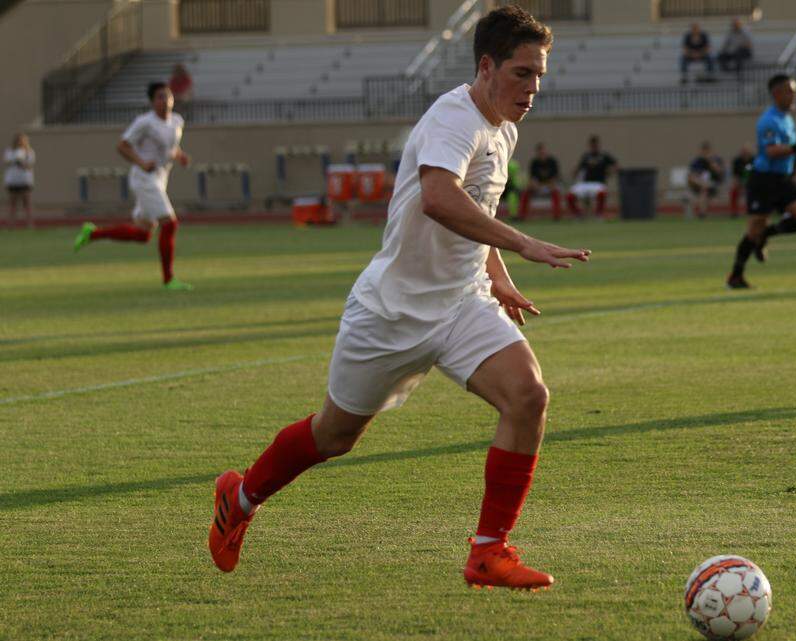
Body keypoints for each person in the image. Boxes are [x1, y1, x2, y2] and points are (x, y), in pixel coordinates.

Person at [206, 6, 591, 589]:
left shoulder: (504, 128)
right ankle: (242, 496)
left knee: (528, 396)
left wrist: (497, 274)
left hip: (462, 304)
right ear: (486, 67)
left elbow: (475, 211)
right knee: (333, 436)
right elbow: (439, 197)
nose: (533, 87)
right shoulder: (452, 118)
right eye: (521, 73)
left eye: (539, 74)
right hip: (392, 312)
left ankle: (488, 552)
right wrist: (522, 243)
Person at [72, 82, 192, 290]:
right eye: (160, 97)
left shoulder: (177, 121)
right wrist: (142, 163)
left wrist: (179, 156)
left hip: (160, 179)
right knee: (170, 224)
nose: (165, 101)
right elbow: (122, 146)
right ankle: (169, 279)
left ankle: (92, 233)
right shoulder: (144, 122)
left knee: (143, 234)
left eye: (168, 96)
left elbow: (169, 148)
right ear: (152, 101)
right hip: (144, 179)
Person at [727, 74, 796, 290]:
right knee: (753, 230)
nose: (794, 95)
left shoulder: (787, 117)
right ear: (777, 93)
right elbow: (771, 151)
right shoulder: (768, 120)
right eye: (790, 90)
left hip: (782, 179)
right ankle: (735, 276)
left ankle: (766, 235)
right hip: (763, 180)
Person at [568, 135, 618, 218]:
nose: (594, 147)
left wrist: (610, 171)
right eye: (592, 145)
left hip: (599, 183)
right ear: (590, 145)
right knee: (570, 196)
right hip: (586, 183)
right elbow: (579, 168)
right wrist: (574, 172)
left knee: (602, 193)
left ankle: (598, 214)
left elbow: (616, 165)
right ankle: (578, 215)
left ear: (598, 145)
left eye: (595, 145)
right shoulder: (586, 156)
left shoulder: (604, 156)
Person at [518, 142, 562, 221]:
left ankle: (557, 216)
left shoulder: (552, 162)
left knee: (556, 191)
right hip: (538, 186)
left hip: (549, 186)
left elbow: (556, 177)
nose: (542, 154)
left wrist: (550, 184)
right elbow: (532, 178)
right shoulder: (534, 163)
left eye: (543, 152)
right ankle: (522, 215)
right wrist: (534, 185)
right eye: (540, 152)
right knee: (526, 192)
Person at [687, 141, 726, 219]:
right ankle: (702, 214)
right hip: (698, 185)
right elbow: (692, 176)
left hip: (713, 185)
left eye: (707, 150)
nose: (705, 152)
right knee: (703, 189)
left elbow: (720, 173)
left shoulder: (716, 160)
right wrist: (700, 183)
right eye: (703, 150)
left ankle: (702, 214)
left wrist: (710, 162)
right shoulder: (697, 161)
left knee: (704, 191)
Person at [4, 133, 34, 227]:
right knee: (12, 203)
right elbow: (7, 162)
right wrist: (15, 159)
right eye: (18, 140)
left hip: (25, 180)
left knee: (27, 203)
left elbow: (29, 166)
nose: (20, 142)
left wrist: (21, 162)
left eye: (22, 140)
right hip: (13, 180)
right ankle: (11, 224)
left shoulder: (29, 152)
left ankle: (29, 224)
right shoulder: (10, 151)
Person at [729, 147, 753, 218]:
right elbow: (735, 175)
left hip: (751, 181)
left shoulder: (753, 160)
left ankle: (752, 211)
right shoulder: (737, 161)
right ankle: (734, 212)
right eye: (743, 151)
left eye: (747, 151)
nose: (745, 153)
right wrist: (737, 183)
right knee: (734, 191)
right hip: (739, 181)